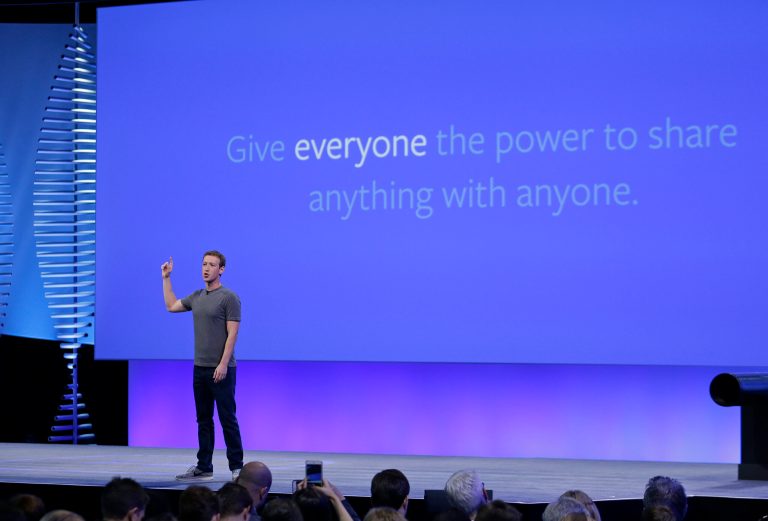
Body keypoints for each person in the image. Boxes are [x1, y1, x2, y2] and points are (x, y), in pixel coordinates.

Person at [162, 251, 244, 481]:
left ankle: (237, 467)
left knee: (227, 417)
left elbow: (232, 334)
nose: (206, 268)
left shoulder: (229, 297)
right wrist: (166, 278)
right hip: (200, 368)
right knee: (203, 419)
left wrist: (223, 364)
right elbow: (171, 306)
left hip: (222, 369)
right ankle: (204, 466)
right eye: (204, 264)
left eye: (212, 265)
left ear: (222, 269)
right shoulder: (197, 296)